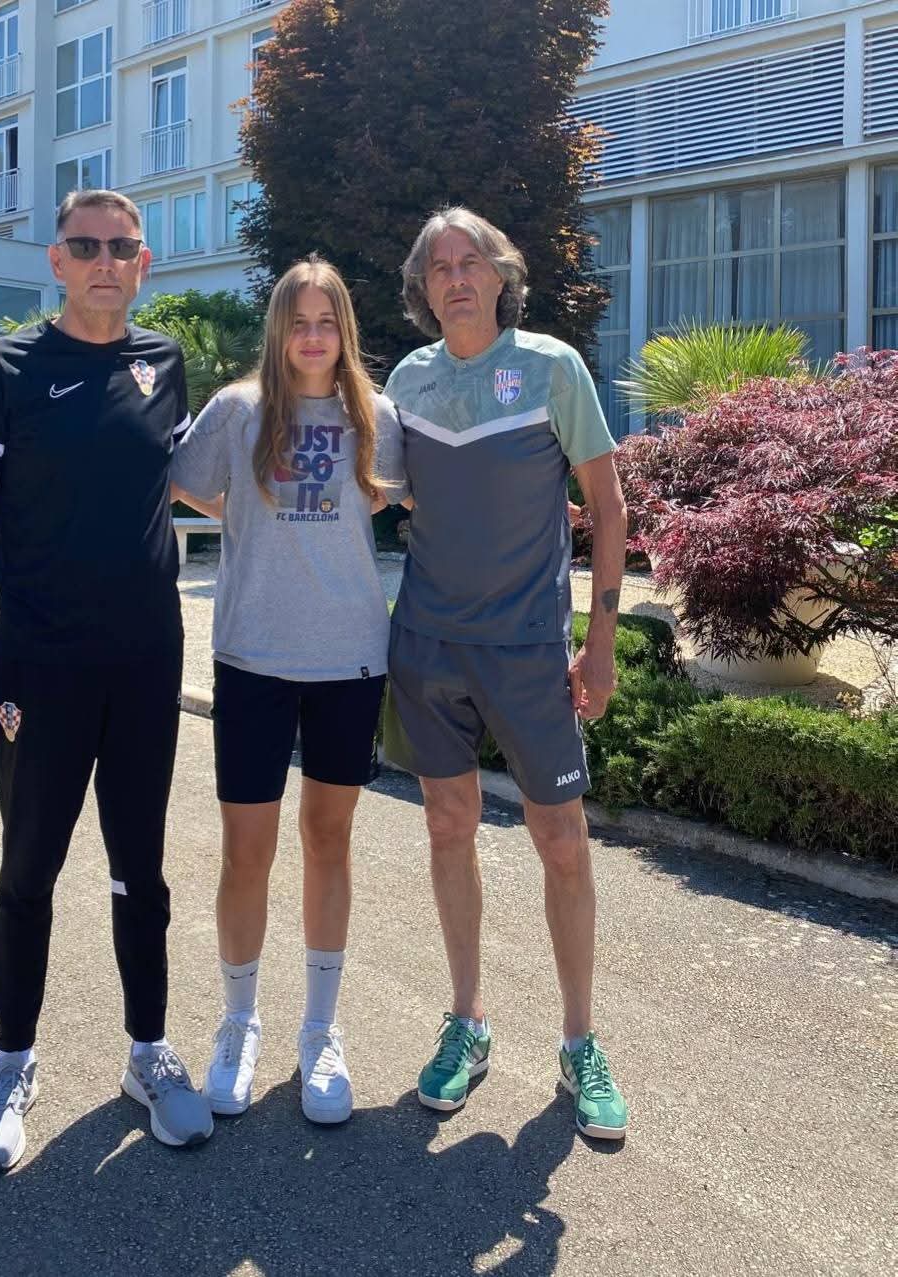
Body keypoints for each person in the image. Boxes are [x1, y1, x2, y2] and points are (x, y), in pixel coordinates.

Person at [0, 188, 213, 1170]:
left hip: (145, 660)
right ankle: (11, 1062)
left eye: (121, 246)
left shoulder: (164, 362)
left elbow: (186, 484)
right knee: (29, 869)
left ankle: (149, 1053)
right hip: (37, 665)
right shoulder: (5, 367)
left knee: (142, 866)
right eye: (85, 245)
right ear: (55, 261)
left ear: (143, 263)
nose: (104, 260)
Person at [383, 208, 629, 1140]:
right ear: (424, 289)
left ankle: (580, 1041)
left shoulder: (553, 368)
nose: (455, 277)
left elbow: (607, 505)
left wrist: (599, 642)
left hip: (528, 651)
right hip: (428, 646)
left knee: (560, 839)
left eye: (471, 261)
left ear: (500, 276)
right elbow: (381, 492)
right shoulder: (407, 380)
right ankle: (468, 1021)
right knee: (448, 825)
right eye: (439, 266)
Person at [171, 256, 406, 1124]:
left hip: (350, 658)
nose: (313, 336)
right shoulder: (237, 411)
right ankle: (239, 1021)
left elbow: (393, 500)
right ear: (278, 329)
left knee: (329, 840)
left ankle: (320, 1030)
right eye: (298, 321)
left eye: (326, 321)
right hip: (252, 658)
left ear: (345, 328)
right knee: (247, 850)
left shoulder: (377, 416)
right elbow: (176, 478)